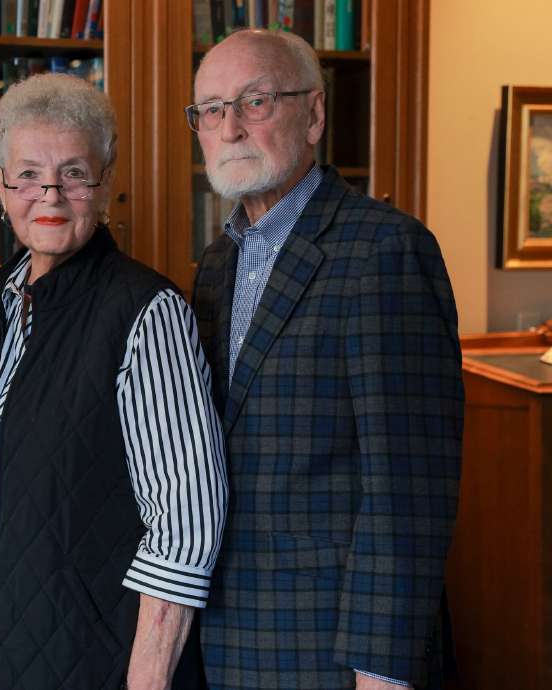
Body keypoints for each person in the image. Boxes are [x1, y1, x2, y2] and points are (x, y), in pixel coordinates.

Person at [0, 72, 228, 690]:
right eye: (29, 173)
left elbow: (187, 523)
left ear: (106, 183)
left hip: (94, 663)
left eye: (73, 173)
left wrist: (147, 680)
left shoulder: (147, 314)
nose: (51, 195)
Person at [186, 29, 463, 690]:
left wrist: (382, 672)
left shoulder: (383, 250)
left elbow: (409, 489)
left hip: (334, 647)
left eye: (255, 103)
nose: (229, 129)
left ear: (313, 115)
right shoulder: (219, 260)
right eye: (211, 110)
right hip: (230, 634)